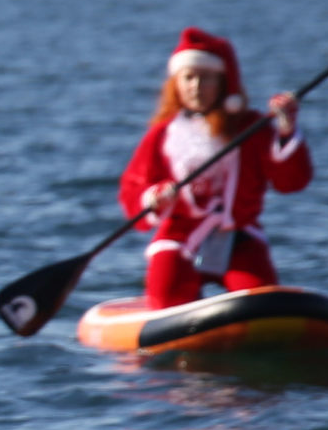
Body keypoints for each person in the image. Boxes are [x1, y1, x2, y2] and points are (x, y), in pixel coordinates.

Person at [118, 27, 310, 310]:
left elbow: (291, 182)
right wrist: (154, 198)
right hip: (180, 238)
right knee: (167, 296)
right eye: (188, 78)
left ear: (223, 81)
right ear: (176, 83)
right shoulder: (162, 135)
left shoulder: (251, 129)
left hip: (239, 237)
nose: (196, 87)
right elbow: (132, 192)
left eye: (205, 78)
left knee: (261, 301)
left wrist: (285, 130)